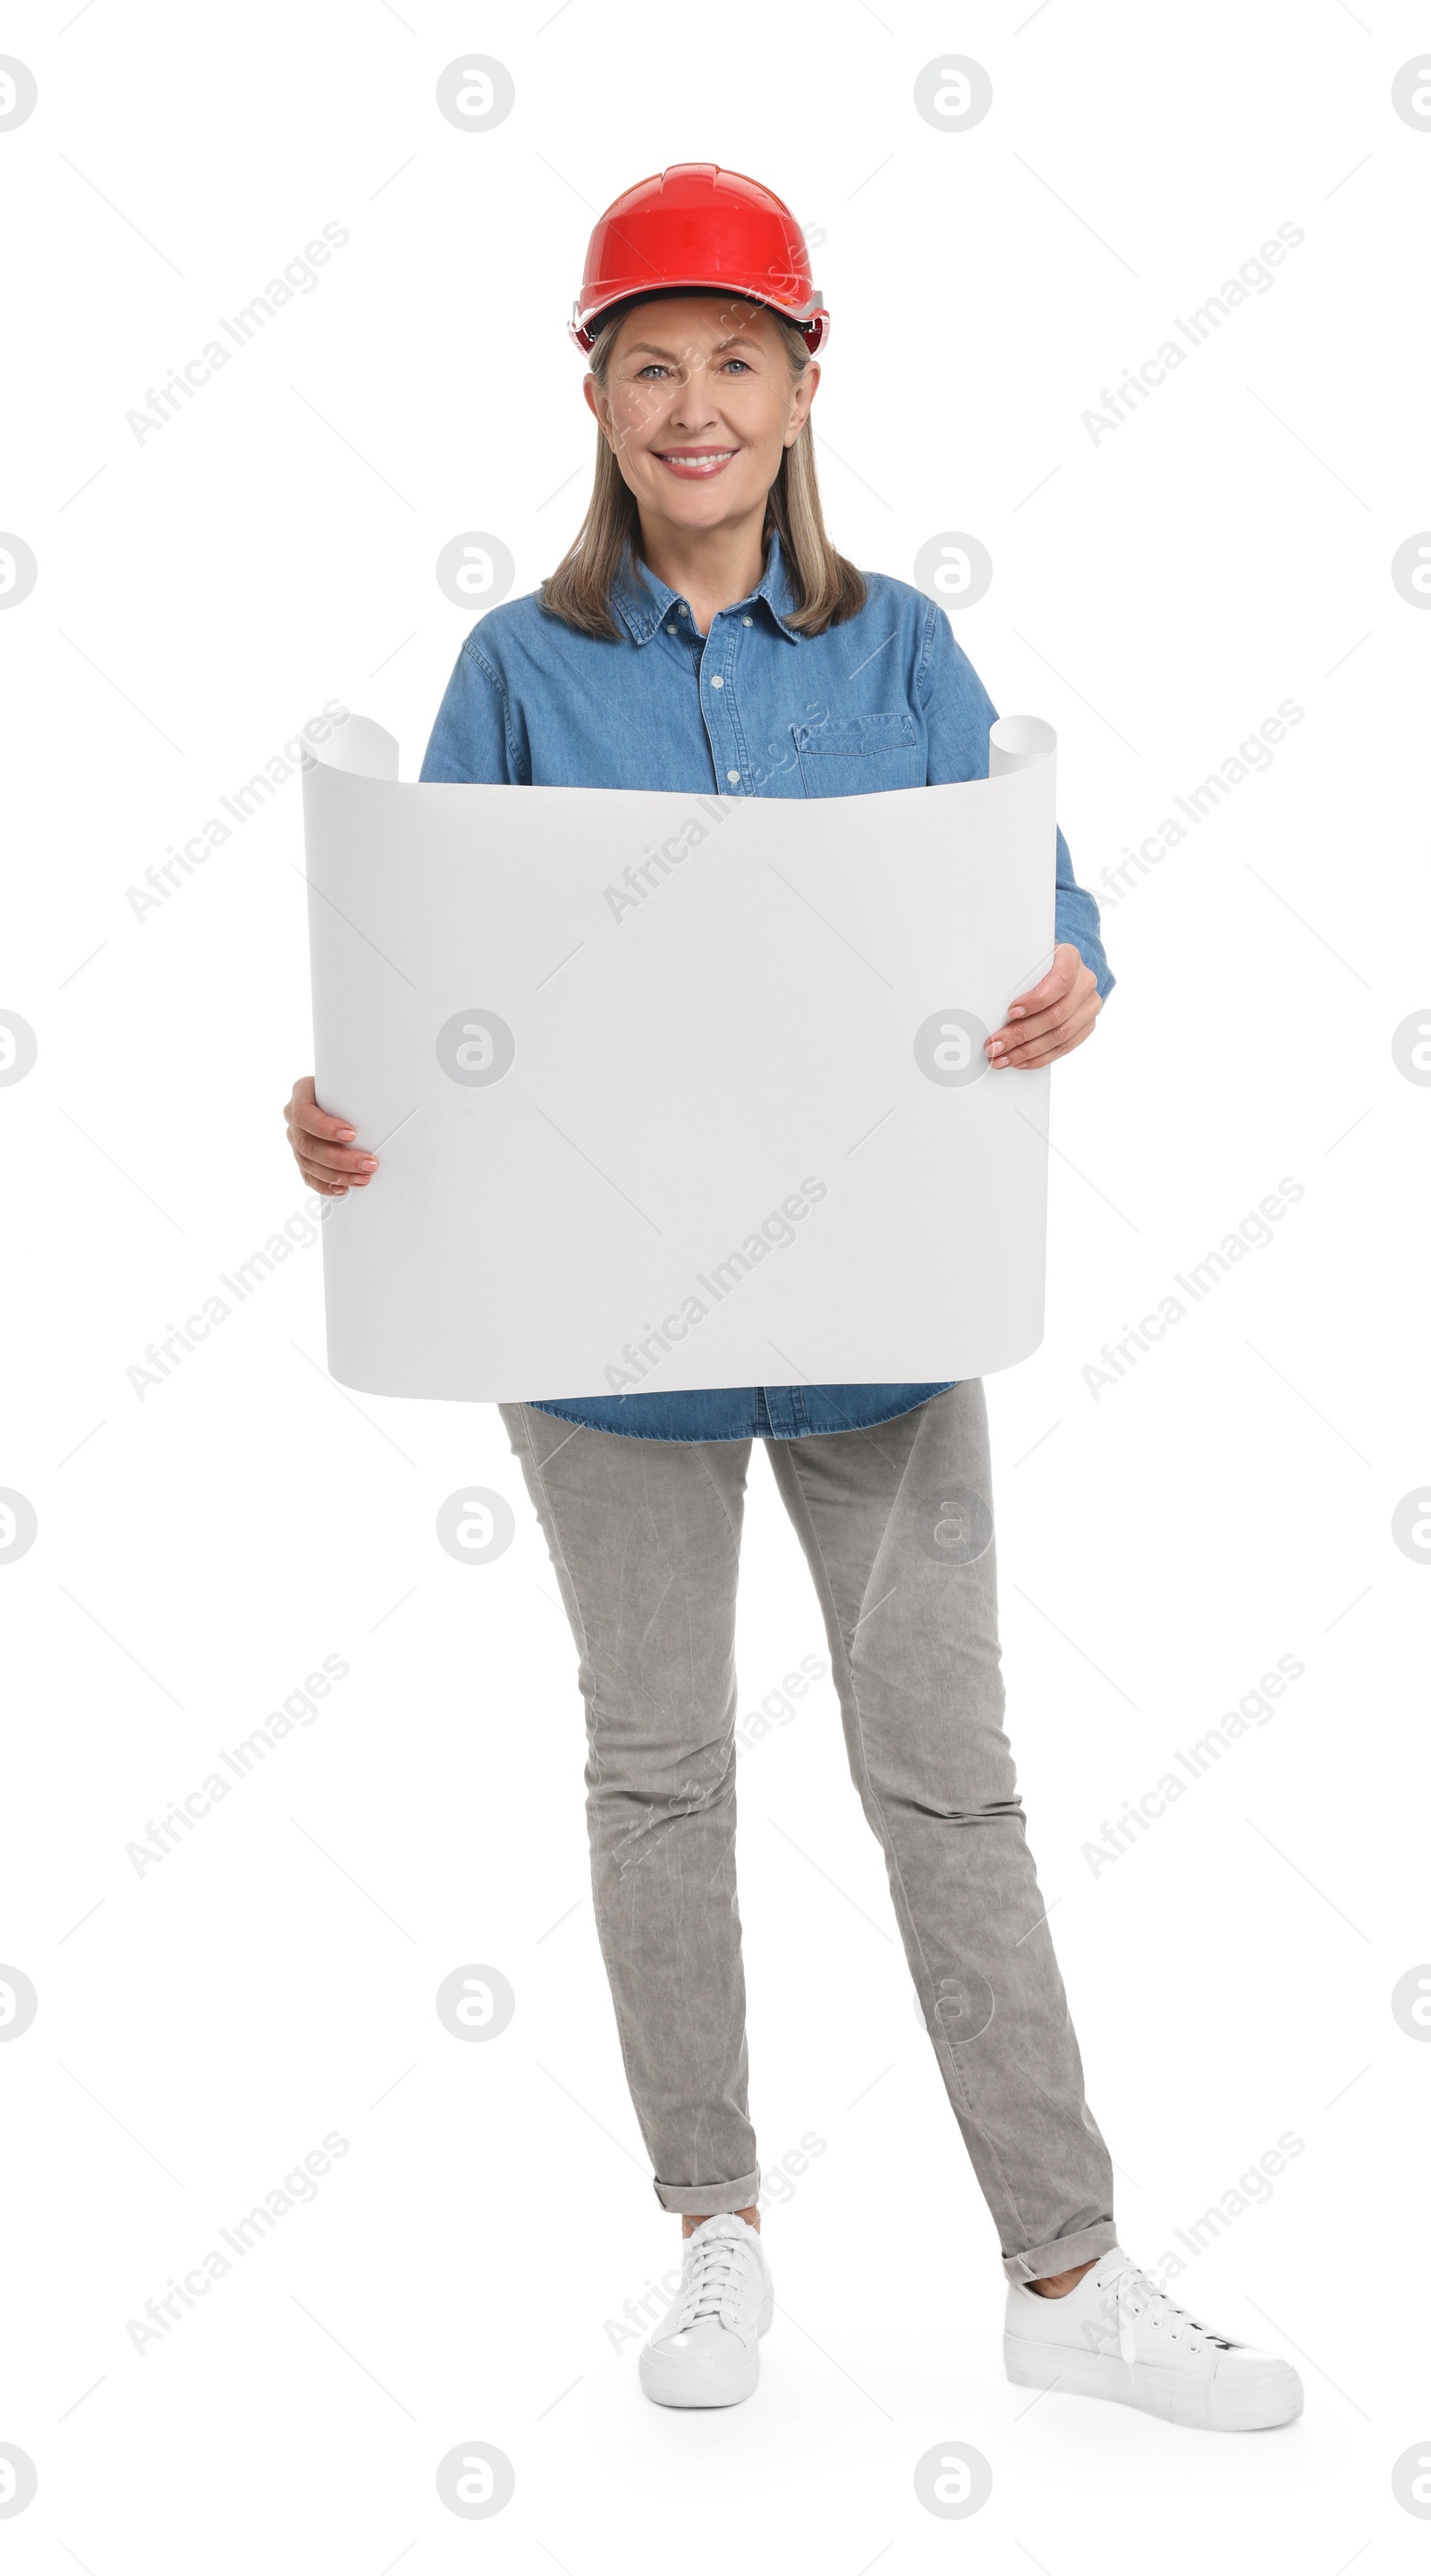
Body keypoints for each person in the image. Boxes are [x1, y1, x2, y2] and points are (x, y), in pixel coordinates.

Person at [284, 164, 1301, 2431]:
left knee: (947, 1776)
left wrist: (1068, 968)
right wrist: (343, 1118)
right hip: (596, 1331)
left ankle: (1065, 2273)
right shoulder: (516, 665)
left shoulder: (903, 647)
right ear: (593, 390)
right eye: (649, 359)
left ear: (803, 381)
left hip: (874, 1307)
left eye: (734, 356)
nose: (692, 401)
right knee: (658, 1778)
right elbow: (432, 967)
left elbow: (1023, 889)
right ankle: (714, 2236)